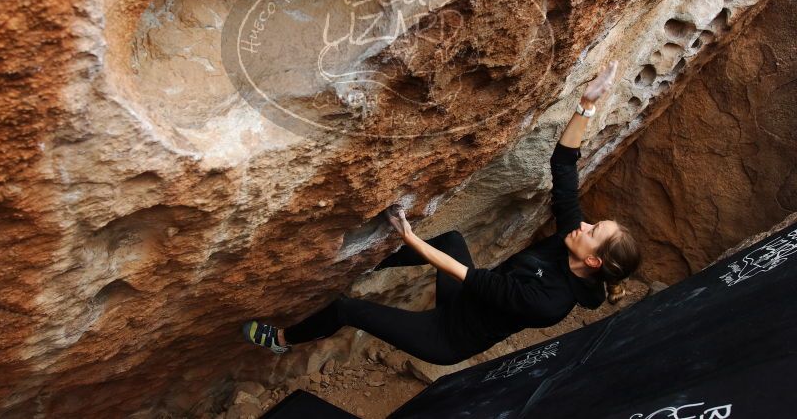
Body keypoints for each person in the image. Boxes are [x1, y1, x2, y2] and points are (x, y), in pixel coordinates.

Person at [242, 60, 641, 364]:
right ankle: (364, 266)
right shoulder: (572, 238)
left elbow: (470, 277)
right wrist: (587, 104)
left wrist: (408, 236)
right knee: (451, 240)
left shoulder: (549, 303)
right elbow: (564, 167)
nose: (584, 224)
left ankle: (282, 340)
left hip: (445, 335)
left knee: (348, 309)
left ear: (592, 260)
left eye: (593, 231)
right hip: (465, 299)